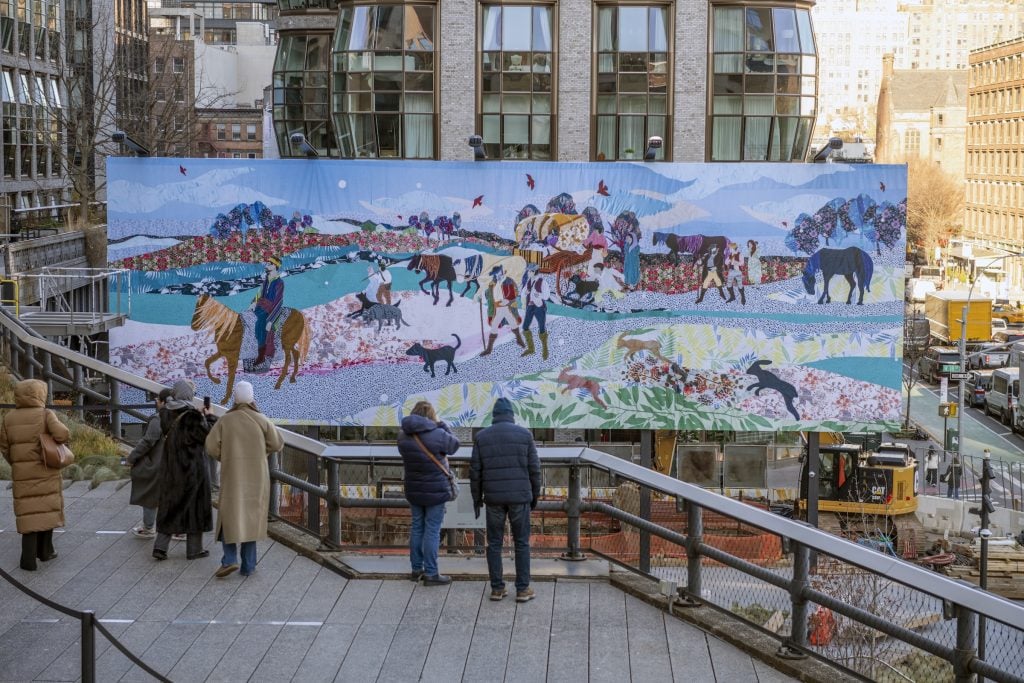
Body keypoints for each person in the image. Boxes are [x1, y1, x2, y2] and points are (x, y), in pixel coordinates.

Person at [205, 381, 283, 578]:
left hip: (232, 474)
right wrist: (260, 453)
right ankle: (248, 565)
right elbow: (277, 443)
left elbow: (211, 447)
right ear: (252, 398)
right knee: (251, 518)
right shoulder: (261, 419)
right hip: (257, 475)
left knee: (228, 516)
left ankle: (229, 559)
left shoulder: (225, 420)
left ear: (235, 398)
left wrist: (227, 456)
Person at [470, 398, 541, 603]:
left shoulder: (482, 437)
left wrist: (477, 499)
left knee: (494, 543)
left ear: (494, 415)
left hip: (493, 498)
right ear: (511, 414)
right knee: (521, 542)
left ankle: (497, 588)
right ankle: (522, 589)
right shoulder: (525, 435)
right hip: (520, 498)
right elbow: (534, 469)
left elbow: (475, 472)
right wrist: (534, 496)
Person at [0, 379, 70, 571]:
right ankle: (46, 552)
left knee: (29, 513)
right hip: (45, 470)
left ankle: (28, 559)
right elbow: (62, 435)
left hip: (22, 473)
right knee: (46, 509)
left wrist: (17, 463)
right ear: (40, 394)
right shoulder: (46, 414)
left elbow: (4, 447)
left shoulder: (9, 418)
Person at [397, 400, 461, 586]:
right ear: (431, 415)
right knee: (432, 530)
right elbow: (454, 446)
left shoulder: (403, 435)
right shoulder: (438, 433)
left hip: (414, 489)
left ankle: (416, 569)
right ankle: (431, 573)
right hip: (436, 490)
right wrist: (441, 424)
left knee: (417, 527)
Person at [154, 380, 215, 561]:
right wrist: (209, 417)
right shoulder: (192, 417)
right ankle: (194, 550)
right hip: (192, 469)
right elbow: (208, 437)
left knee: (170, 507)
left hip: (171, 469)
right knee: (195, 507)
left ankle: (160, 547)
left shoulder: (165, 413)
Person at [128, 388, 173, 538]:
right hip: (176, 463)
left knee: (149, 493)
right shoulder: (181, 416)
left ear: (164, 402)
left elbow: (148, 441)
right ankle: (179, 530)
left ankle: (148, 527)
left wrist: (132, 457)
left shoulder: (158, 419)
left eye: (158, 399)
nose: (156, 401)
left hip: (158, 463)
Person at [480, 264, 525, 356]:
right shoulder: (492, 283)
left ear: (501, 271)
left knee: (513, 322)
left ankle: (519, 340)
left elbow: (515, 292)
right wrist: (482, 295)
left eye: (498, 272)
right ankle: (489, 349)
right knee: (495, 326)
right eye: (495, 274)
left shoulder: (508, 281)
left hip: (507, 307)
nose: (497, 275)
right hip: (497, 308)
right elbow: (488, 295)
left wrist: (508, 301)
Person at [252, 256, 285, 367]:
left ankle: (262, 356)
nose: (266, 266)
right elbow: (259, 293)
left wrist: (271, 320)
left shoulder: (279, 282)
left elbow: (279, 302)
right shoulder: (266, 280)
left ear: (275, 266)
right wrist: (253, 303)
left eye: (269, 264)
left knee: (262, 327)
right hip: (261, 307)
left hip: (270, 310)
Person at [520, 262, 551, 360]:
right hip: (530, 306)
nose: (528, 273)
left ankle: (545, 349)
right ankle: (531, 348)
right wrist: (526, 292)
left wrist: (539, 295)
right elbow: (522, 294)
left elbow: (546, 296)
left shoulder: (542, 281)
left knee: (542, 327)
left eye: (529, 271)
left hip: (539, 307)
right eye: (528, 271)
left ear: (534, 272)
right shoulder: (529, 281)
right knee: (525, 326)